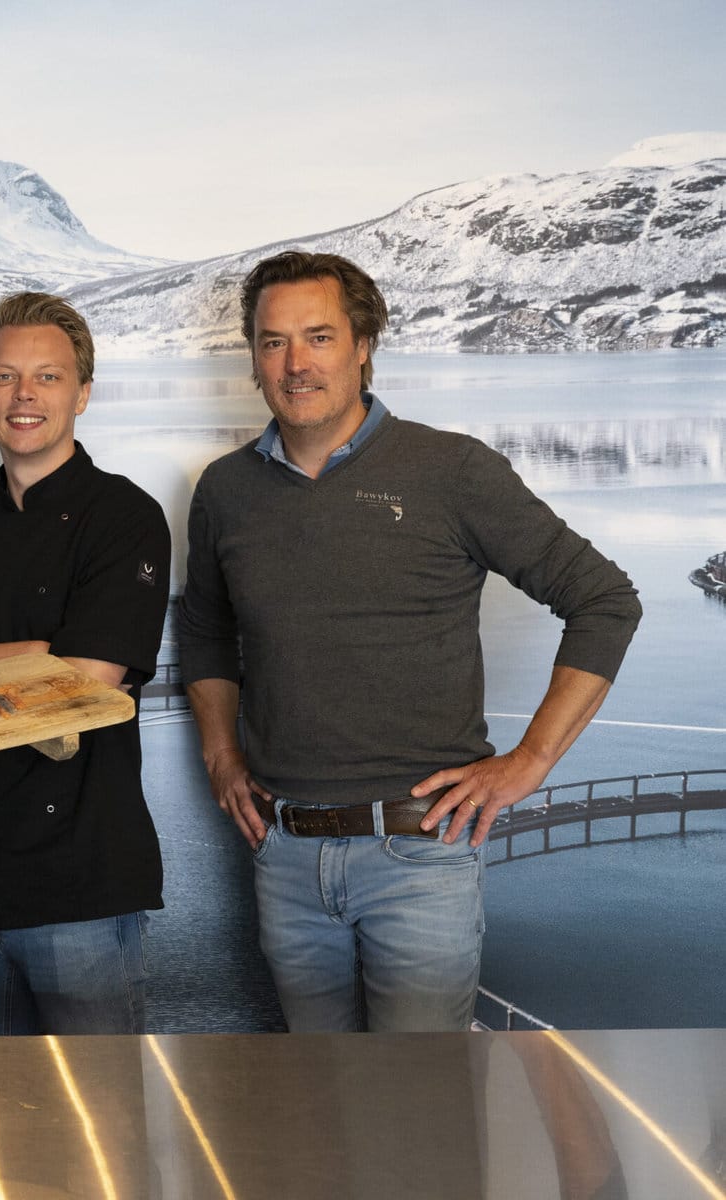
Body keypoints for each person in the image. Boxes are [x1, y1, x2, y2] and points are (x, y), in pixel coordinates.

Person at [176, 250, 641, 1032]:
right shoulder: (224, 490)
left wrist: (529, 761)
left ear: (362, 346)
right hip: (283, 853)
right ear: (252, 357)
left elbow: (603, 600)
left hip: (419, 853)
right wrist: (221, 755)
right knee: (314, 1088)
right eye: (272, 341)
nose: (294, 364)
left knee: (422, 1096)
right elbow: (205, 629)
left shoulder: (449, 470)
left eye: (319, 337)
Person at [0, 292, 170, 1034]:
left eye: (47, 377)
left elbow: (86, 683)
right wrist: (35, 654)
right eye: (5, 377)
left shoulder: (125, 518)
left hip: (82, 886)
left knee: (97, 1103)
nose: (24, 396)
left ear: (82, 394)